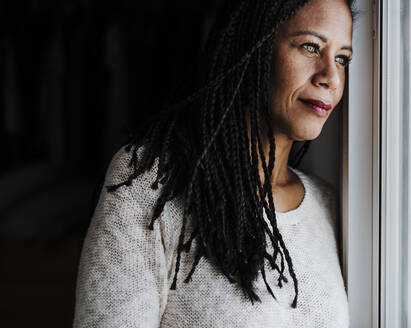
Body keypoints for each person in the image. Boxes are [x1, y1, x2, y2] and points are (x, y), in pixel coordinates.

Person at [73, 0, 355, 326]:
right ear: (254, 46)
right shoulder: (150, 184)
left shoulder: (330, 206)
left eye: (342, 59)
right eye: (310, 47)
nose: (331, 77)